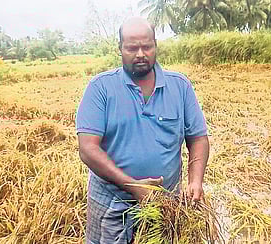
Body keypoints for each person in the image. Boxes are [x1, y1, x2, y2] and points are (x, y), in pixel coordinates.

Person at [76, 17, 210, 244]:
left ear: (155, 46)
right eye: (131, 47)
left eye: (146, 46)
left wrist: (195, 180)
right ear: (120, 49)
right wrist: (134, 186)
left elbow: (198, 138)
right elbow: (88, 149)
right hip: (111, 203)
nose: (140, 53)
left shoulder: (180, 86)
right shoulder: (101, 88)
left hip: (165, 203)